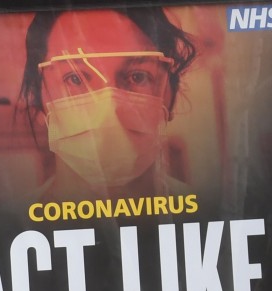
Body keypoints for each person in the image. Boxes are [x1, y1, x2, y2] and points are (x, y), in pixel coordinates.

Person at [19, 8, 197, 201]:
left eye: (137, 76)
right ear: (38, 98)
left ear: (170, 95)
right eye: (75, 79)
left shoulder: (210, 216)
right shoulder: (10, 226)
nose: (109, 110)